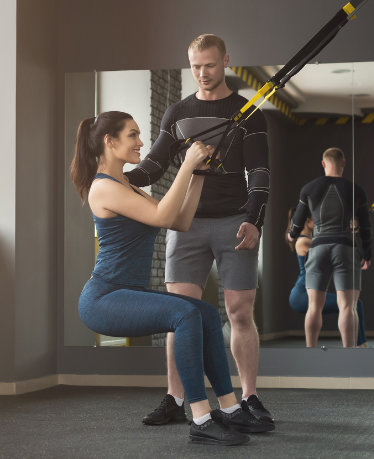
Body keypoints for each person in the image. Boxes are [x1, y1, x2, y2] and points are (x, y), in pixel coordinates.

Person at [71, 111, 273, 446]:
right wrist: (185, 164)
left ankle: (230, 408)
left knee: (206, 312)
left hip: (125, 292)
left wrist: (198, 176)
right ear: (110, 142)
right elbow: (162, 214)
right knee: (185, 314)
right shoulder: (102, 188)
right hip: (103, 298)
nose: (141, 142)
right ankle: (201, 418)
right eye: (133, 135)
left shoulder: (127, 185)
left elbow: (178, 221)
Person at [126, 34, 273, 424]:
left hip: (234, 221)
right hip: (185, 224)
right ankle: (176, 399)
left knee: (239, 312)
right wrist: (115, 178)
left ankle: (249, 398)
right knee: (179, 313)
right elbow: (153, 166)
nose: (202, 73)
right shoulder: (176, 113)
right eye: (195, 66)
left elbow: (259, 173)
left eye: (209, 65)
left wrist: (254, 220)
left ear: (226, 61)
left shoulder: (248, 113)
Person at [288, 148, 373, 348]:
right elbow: (366, 226)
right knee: (348, 307)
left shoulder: (309, 188)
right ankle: (349, 355)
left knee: (313, 307)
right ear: (343, 163)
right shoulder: (356, 190)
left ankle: (311, 353)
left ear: (323, 163)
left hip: (318, 249)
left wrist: (292, 234)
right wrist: (367, 254)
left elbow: (298, 220)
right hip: (346, 249)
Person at [286, 208, 368, 347]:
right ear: (307, 220)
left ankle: (361, 345)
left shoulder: (312, 240)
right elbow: (329, 251)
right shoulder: (303, 242)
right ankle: (360, 346)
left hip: (309, 290)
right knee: (352, 305)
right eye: (316, 218)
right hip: (301, 294)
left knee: (355, 304)